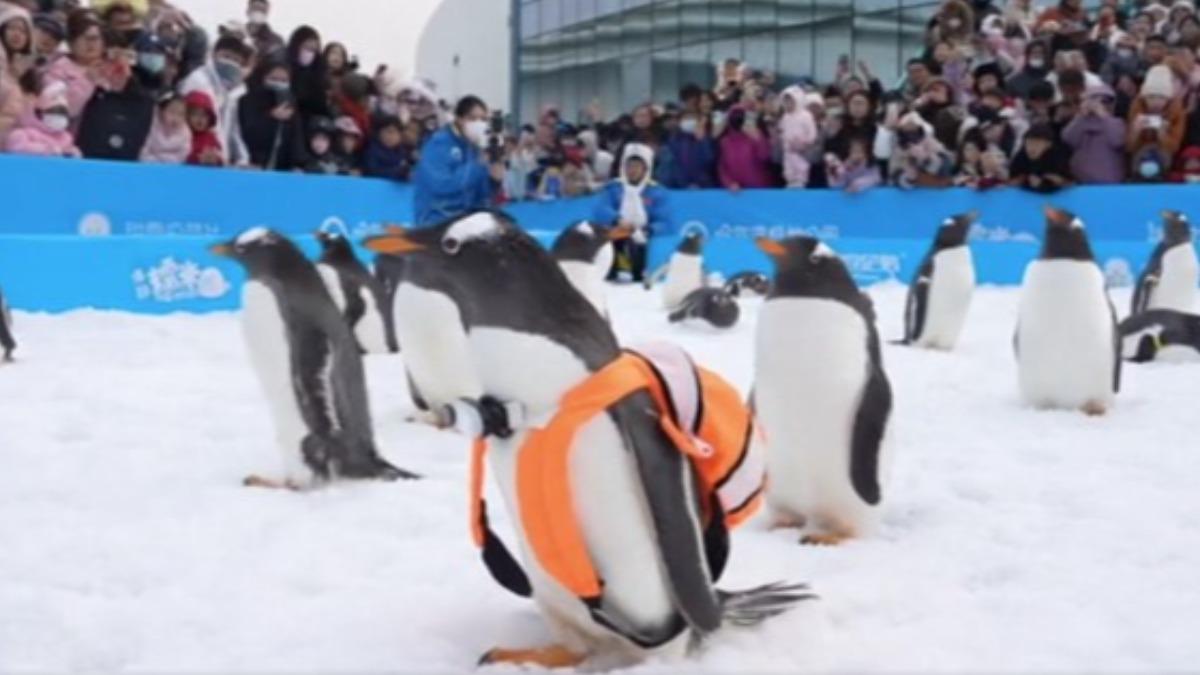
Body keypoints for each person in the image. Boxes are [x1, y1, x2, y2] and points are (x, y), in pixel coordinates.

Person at [412, 94, 500, 226]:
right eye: (473, 118)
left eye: (483, 119)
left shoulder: (476, 149)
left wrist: (494, 181)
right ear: (459, 119)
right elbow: (441, 185)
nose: (479, 124)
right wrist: (477, 166)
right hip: (435, 219)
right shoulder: (439, 143)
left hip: (464, 221)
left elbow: (481, 197)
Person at [592, 143, 671, 283]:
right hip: (617, 232)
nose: (632, 170)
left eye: (636, 166)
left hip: (644, 236)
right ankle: (615, 269)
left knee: (638, 243)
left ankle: (638, 272)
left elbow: (664, 221)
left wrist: (648, 230)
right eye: (629, 166)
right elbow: (601, 209)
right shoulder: (613, 188)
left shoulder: (656, 192)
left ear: (645, 169)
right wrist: (618, 220)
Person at [75, 35, 154, 161]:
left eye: (123, 57)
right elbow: (72, 111)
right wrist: (88, 82)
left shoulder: (143, 100)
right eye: (111, 58)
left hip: (123, 166)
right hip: (84, 162)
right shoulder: (88, 90)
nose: (117, 65)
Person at [177, 33, 252, 165]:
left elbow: (233, 129)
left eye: (236, 60)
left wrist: (242, 159)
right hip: (194, 156)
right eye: (226, 56)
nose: (230, 62)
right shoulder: (198, 81)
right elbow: (191, 122)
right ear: (214, 54)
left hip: (217, 159)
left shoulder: (232, 89)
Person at [42, 9, 105, 127]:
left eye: (95, 38)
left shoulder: (111, 67)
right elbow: (62, 109)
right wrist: (87, 81)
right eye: (83, 37)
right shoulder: (58, 68)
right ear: (71, 43)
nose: (90, 43)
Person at [236, 55, 300, 171]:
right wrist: (270, 116)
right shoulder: (248, 100)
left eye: (283, 80)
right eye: (274, 78)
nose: (279, 83)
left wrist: (296, 164)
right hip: (252, 164)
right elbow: (246, 130)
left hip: (281, 167)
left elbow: (296, 136)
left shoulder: (290, 101)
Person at [1127, 64, 1187, 182]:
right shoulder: (1137, 108)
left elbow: (1174, 147)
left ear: (1168, 98)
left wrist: (1162, 135)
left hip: (1164, 157)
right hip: (1139, 157)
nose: (1155, 102)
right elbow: (1129, 148)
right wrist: (1135, 131)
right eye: (1151, 97)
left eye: (1161, 98)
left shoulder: (1176, 111)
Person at [1061, 83, 1126, 184]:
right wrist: (1080, 116)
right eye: (1094, 99)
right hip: (1080, 179)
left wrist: (1103, 115)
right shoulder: (1080, 122)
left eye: (1106, 101)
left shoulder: (1116, 122)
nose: (1101, 104)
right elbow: (1068, 139)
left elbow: (1117, 140)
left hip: (1109, 180)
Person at [5, 81, 80, 157]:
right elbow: (16, 149)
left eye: (63, 113)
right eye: (54, 111)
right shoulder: (24, 134)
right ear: (38, 112)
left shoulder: (65, 138)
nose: (58, 117)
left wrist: (71, 154)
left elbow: (68, 155)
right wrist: (45, 150)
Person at [717, 106, 775, 190]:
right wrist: (729, 183)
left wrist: (759, 139)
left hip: (758, 189)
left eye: (740, 116)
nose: (737, 119)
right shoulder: (725, 142)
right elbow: (722, 167)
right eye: (734, 116)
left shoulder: (755, 136)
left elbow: (765, 157)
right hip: (736, 192)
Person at [1009, 122, 1071, 191]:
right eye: (1028, 143)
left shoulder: (1057, 158)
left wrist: (1043, 183)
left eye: (1037, 144)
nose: (1031, 147)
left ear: (1048, 144)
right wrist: (1024, 179)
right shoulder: (1021, 156)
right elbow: (1012, 179)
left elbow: (1068, 182)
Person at [285, 25, 328, 124]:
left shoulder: (318, 73)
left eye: (313, 50)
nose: (309, 53)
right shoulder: (283, 68)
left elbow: (321, 108)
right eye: (306, 47)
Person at [665, 106, 717, 188]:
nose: (689, 121)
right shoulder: (674, 140)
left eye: (692, 118)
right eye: (686, 118)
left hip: (702, 186)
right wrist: (683, 183)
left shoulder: (705, 139)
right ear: (680, 121)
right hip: (679, 187)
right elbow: (672, 165)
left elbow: (709, 161)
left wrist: (703, 140)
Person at [778, 86, 818, 188]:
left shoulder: (806, 115)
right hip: (788, 151)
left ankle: (800, 186)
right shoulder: (785, 117)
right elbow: (782, 131)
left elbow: (812, 133)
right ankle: (790, 184)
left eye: (790, 101)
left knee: (801, 171)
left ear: (797, 100)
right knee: (788, 172)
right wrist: (784, 140)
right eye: (785, 102)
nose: (788, 104)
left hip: (802, 151)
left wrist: (804, 144)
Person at [140, 91, 191, 163]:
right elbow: (143, 152)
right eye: (172, 112)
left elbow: (183, 153)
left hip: (172, 167)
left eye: (181, 114)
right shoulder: (151, 126)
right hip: (150, 165)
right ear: (161, 111)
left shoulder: (185, 132)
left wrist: (167, 162)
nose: (176, 118)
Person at [364, 115, 413, 181]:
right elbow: (374, 172)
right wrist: (401, 173)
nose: (391, 136)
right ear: (379, 133)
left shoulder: (404, 152)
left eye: (396, 133)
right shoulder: (372, 151)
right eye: (389, 132)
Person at [184, 89, 222, 166]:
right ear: (186, 115)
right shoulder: (181, 134)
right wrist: (196, 159)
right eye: (195, 114)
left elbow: (220, 158)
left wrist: (216, 159)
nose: (200, 118)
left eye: (204, 115)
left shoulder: (211, 138)